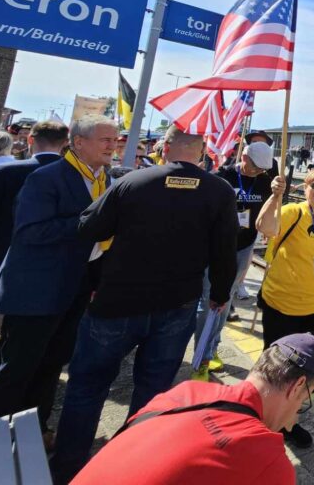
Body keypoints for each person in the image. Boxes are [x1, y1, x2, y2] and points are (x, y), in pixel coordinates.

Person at [50, 126, 239, 480]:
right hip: (177, 305)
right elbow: (225, 251)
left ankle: (67, 469)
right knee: (152, 393)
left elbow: (88, 228)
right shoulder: (219, 191)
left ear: (165, 148)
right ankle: (129, 469)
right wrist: (220, 294)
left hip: (117, 301)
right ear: (200, 153)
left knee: (87, 387)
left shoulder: (132, 182)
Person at [0, 116, 117, 432]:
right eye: (105, 139)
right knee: (18, 368)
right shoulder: (47, 177)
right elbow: (29, 232)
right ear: (78, 143)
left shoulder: (104, 181)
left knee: (52, 364)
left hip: (76, 289)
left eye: (115, 138)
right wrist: (89, 222)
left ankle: (33, 429)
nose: (113, 145)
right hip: (37, 290)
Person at [69, 334, 314, 485]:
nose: (295, 415)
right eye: (303, 402)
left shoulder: (186, 391)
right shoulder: (269, 461)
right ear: (297, 387)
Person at [256, 166, 314, 448]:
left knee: (303, 372)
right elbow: (265, 228)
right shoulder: (291, 212)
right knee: (276, 371)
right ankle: (263, 421)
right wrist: (275, 197)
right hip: (283, 305)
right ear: (304, 188)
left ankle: (288, 423)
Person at [0, 120, 68, 388]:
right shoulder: (73, 178)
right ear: (65, 143)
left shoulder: (6, 172)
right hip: (47, 269)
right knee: (20, 342)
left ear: (30, 140)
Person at [193, 141, 275, 376]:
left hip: (244, 248)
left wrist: (277, 195)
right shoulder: (221, 177)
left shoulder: (264, 182)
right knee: (211, 301)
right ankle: (203, 356)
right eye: (255, 167)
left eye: (263, 170)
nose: (258, 172)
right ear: (245, 157)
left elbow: (268, 214)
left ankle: (212, 347)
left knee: (225, 300)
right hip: (217, 249)